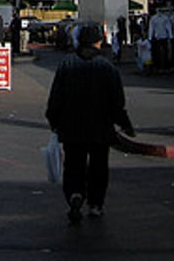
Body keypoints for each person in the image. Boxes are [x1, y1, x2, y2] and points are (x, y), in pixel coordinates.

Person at [45, 22, 135, 224]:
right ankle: (95, 204)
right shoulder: (107, 67)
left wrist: (54, 121)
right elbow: (117, 102)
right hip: (100, 128)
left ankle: (75, 194)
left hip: (71, 127)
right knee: (98, 167)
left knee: (74, 165)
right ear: (98, 42)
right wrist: (125, 124)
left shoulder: (67, 65)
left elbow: (55, 98)